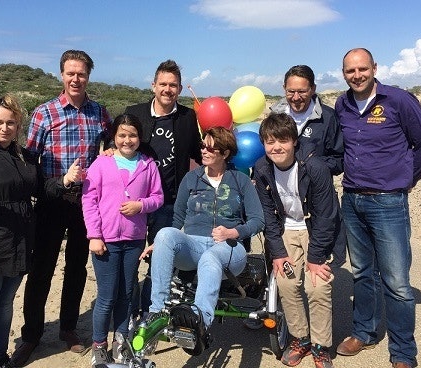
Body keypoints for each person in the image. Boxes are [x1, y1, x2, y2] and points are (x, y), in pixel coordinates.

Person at [0, 94, 77, 368]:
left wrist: (64, 181)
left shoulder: (24, 155)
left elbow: (41, 188)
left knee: (4, 306)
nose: (4, 128)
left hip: (19, 245)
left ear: (19, 126)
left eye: (11, 123)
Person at [334, 48, 421, 368]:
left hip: (388, 202)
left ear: (374, 68)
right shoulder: (343, 103)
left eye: (362, 69)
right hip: (352, 199)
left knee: (396, 281)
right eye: (350, 71)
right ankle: (364, 332)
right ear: (343, 73)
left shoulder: (399, 101)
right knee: (363, 273)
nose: (357, 75)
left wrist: (407, 179)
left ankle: (403, 352)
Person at [11, 50, 112, 367]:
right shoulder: (45, 113)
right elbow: (29, 161)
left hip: (86, 203)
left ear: (88, 76)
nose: (76, 79)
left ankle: (68, 328)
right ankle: (31, 336)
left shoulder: (99, 113)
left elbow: (110, 150)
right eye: (70, 73)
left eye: (81, 73)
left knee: (76, 268)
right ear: (61, 75)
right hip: (52, 200)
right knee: (41, 270)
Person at [142, 126, 265, 355]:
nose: (204, 151)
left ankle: (200, 321)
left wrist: (233, 232)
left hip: (230, 248)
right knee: (164, 234)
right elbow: (177, 217)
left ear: (225, 153)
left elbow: (258, 221)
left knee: (211, 256)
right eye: (202, 146)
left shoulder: (240, 180)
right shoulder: (192, 178)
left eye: (210, 147)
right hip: (194, 245)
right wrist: (160, 243)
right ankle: (157, 310)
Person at [254, 112, 339, 368]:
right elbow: (268, 215)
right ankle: (300, 338)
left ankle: (321, 345)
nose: (276, 147)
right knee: (287, 284)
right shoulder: (261, 168)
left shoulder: (315, 167)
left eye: (282, 140)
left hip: (315, 229)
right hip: (286, 230)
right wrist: (278, 252)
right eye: (270, 142)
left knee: (317, 286)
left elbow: (327, 215)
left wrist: (315, 258)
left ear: (294, 141)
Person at [82, 114, 164, 366]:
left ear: (139, 138)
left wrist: (141, 205)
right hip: (105, 240)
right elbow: (89, 200)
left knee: (127, 294)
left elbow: (158, 197)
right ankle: (99, 344)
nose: (127, 140)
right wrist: (94, 235)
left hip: (134, 239)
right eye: (122, 135)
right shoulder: (101, 164)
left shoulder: (148, 165)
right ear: (114, 138)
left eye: (132, 135)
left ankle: (121, 339)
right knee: (106, 296)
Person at [124, 59, 202, 321]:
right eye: (163, 84)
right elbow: (116, 146)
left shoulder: (188, 117)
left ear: (179, 89)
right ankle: (127, 313)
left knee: (157, 260)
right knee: (130, 259)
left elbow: (199, 153)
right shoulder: (135, 113)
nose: (167, 89)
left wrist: (232, 169)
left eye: (173, 85)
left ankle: (148, 312)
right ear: (153, 86)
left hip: (169, 202)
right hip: (134, 203)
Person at [269, 64, 346, 268]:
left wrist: (313, 167)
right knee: (284, 268)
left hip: (317, 200)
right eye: (291, 91)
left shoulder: (328, 118)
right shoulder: (275, 117)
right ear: (284, 88)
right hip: (283, 202)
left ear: (312, 89)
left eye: (302, 91)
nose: (296, 97)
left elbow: (339, 159)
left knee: (320, 266)